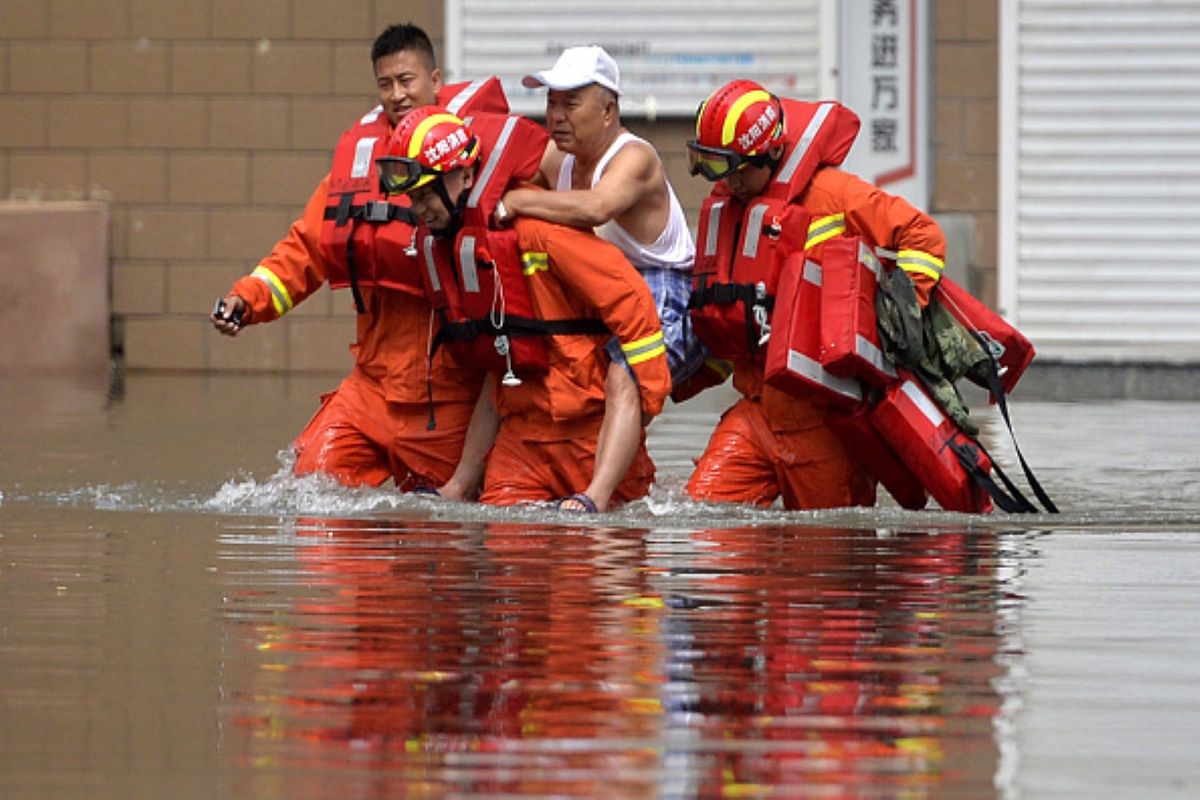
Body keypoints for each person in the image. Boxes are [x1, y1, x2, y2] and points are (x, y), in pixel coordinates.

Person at [210, 24, 506, 496]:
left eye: (407, 81)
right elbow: (304, 249)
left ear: (435, 80)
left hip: (447, 394)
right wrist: (246, 300)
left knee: (443, 537)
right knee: (311, 494)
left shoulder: (476, 159)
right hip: (371, 384)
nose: (397, 94)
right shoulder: (357, 167)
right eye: (385, 84)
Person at [379, 106, 672, 512]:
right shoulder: (464, 248)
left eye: (427, 192)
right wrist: (460, 483)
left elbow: (632, 299)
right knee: (508, 553)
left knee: (605, 559)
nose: (420, 208)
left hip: (589, 437)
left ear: (465, 177)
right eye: (414, 196)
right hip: (523, 440)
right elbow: (498, 368)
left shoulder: (538, 232)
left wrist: (648, 403)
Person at [682, 80, 948, 510]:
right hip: (756, 410)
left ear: (768, 153)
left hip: (825, 423)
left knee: (825, 562)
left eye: (732, 168)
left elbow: (922, 235)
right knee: (702, 523)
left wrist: (893, 322)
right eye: (711, 167)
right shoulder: (731, 210)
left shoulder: (833, 194)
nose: (726, 182)